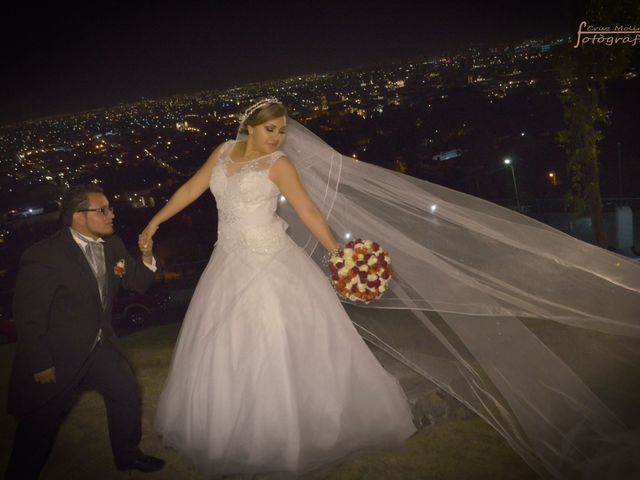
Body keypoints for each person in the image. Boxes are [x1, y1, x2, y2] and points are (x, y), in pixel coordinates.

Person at [144, 99, 417, 476]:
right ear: (249, 127)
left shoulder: (279, 165)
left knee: (277, 336)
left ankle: (297, 424)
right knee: (227, 341)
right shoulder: (223, 152)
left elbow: (307, 210)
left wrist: (339, 254)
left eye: (282, 130)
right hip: (228, 260)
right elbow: (191, 189)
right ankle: (237, 425)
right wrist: (154, 222)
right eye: (270, 129)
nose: (277, 137)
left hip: (271, 259)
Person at [5, 185, 166, 479]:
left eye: (110, 208)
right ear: (79, 216)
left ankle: (127, 455)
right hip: (58, 353)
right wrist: (40, 361)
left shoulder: (113, 244)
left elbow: (137, 282)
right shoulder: (44, 255)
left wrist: (146, 255)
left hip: (100, 347)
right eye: (102, 210)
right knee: (40, 425)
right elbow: (29, 315)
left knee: (126, 393)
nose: (111, 215)